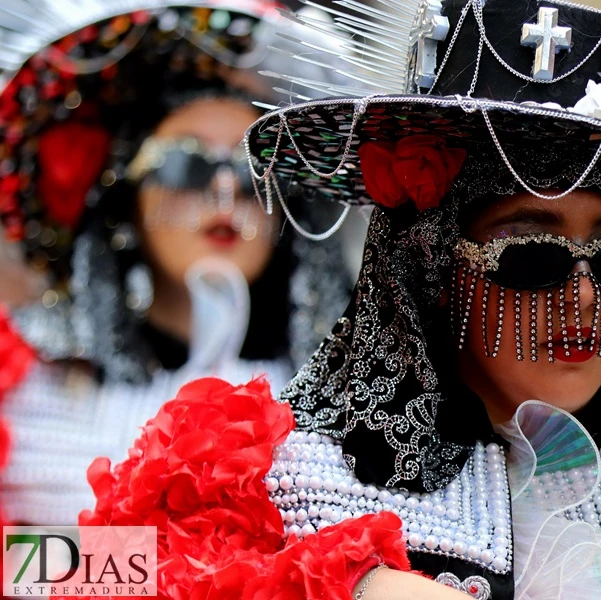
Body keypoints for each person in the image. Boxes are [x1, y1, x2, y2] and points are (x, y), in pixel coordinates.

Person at [80, 0, 601, 598]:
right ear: (434, 262)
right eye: (531, 258)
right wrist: (340, 583)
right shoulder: (290, 477)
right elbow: (87, 574)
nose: (583, 297)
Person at [0, 0, 350, 525]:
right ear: (126, 196)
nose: (226, 188)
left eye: (257, 166)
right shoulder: (30, 396)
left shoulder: (350, 412)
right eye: (189, 162)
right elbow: (23, 573)